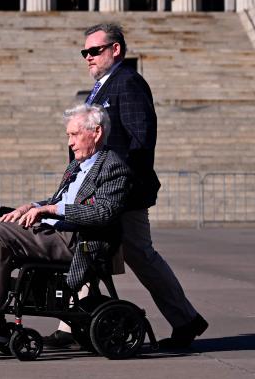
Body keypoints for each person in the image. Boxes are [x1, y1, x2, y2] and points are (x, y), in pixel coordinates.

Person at [44, 23, 208, 351]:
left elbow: (141, 139)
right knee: (88, 249)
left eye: (94, 51)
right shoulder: (103, 87)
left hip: (121, 194)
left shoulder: (128, 83)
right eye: (84, 52)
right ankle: (68, 326)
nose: (88, 57)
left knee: (139, 255)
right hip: (102, 190)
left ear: (115, 49)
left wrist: (114, 183)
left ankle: (186, 320)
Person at [0, 104, 132, 338]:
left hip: (78, 241)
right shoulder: (77, 165)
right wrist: (34, 206)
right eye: (69, 136)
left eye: (74, 135)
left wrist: (52, 209)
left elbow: (104, 212)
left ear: (96, 132)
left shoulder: (113, 167)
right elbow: (59, 199)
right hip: (54, 232)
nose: (70, 142)